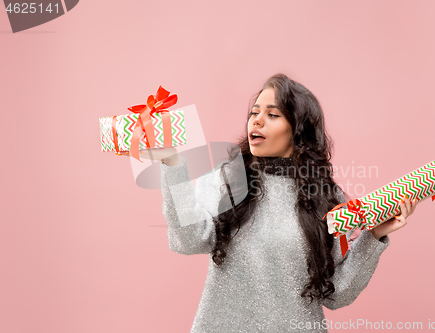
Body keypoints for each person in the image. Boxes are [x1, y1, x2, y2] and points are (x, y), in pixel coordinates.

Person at [134, 73, 417, 332]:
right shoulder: (226, 180)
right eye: (254, 113)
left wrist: (374, 235)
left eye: (272, 114)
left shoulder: (328, 199)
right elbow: (187, 241)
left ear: (298, 130)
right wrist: (173, 164)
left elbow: (336, 294)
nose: (256, 121)